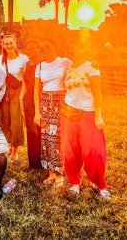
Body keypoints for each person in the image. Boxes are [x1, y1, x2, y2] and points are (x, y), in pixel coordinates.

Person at [60, 39, 111, 198]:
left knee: (94, 152)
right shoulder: (68, 68)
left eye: (79, 49)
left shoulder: (92, 68)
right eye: (72, 49)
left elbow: (98, 93)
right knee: (70, 151)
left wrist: (98, 116)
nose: (75, 52)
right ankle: (75, 183)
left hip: (88, 113)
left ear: (85, 50)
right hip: (69, 114)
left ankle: (100, 184)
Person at [34, 38, 72, 186]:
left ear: (54, 47)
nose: (45, 51)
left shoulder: (65, 62)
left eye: (47, 48)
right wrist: (37, 112)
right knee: (45, 138)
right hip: (44, 102)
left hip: (60, 102)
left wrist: (93, 64)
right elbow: (36, 89)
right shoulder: (40, 66)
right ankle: (50, 172)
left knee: (57, 137)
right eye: (42, 49)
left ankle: (60, 173)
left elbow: (79, 69)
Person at [0, 34, 28, 160]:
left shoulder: (23, 59)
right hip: (4, 92)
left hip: (17, 91)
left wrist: (22, 96)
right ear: (2, 45)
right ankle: (8, 145)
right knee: (5, 119)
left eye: (11, 43)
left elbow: (27, 77)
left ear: (15, 43)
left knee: (16, 120)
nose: (9, 46)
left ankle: (15, 150)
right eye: (6, 44)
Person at [19, 39, 42, 169]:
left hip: (40, 99)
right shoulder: (27, 64)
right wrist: (21, 101)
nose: (31, 51)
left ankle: (43, 161)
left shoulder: (43, 63)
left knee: (41, 131)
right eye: (28, 49)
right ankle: (33, 163)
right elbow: (24, 85)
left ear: (38, 49)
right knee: (31, 131)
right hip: (28, 101)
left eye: (33, 48)